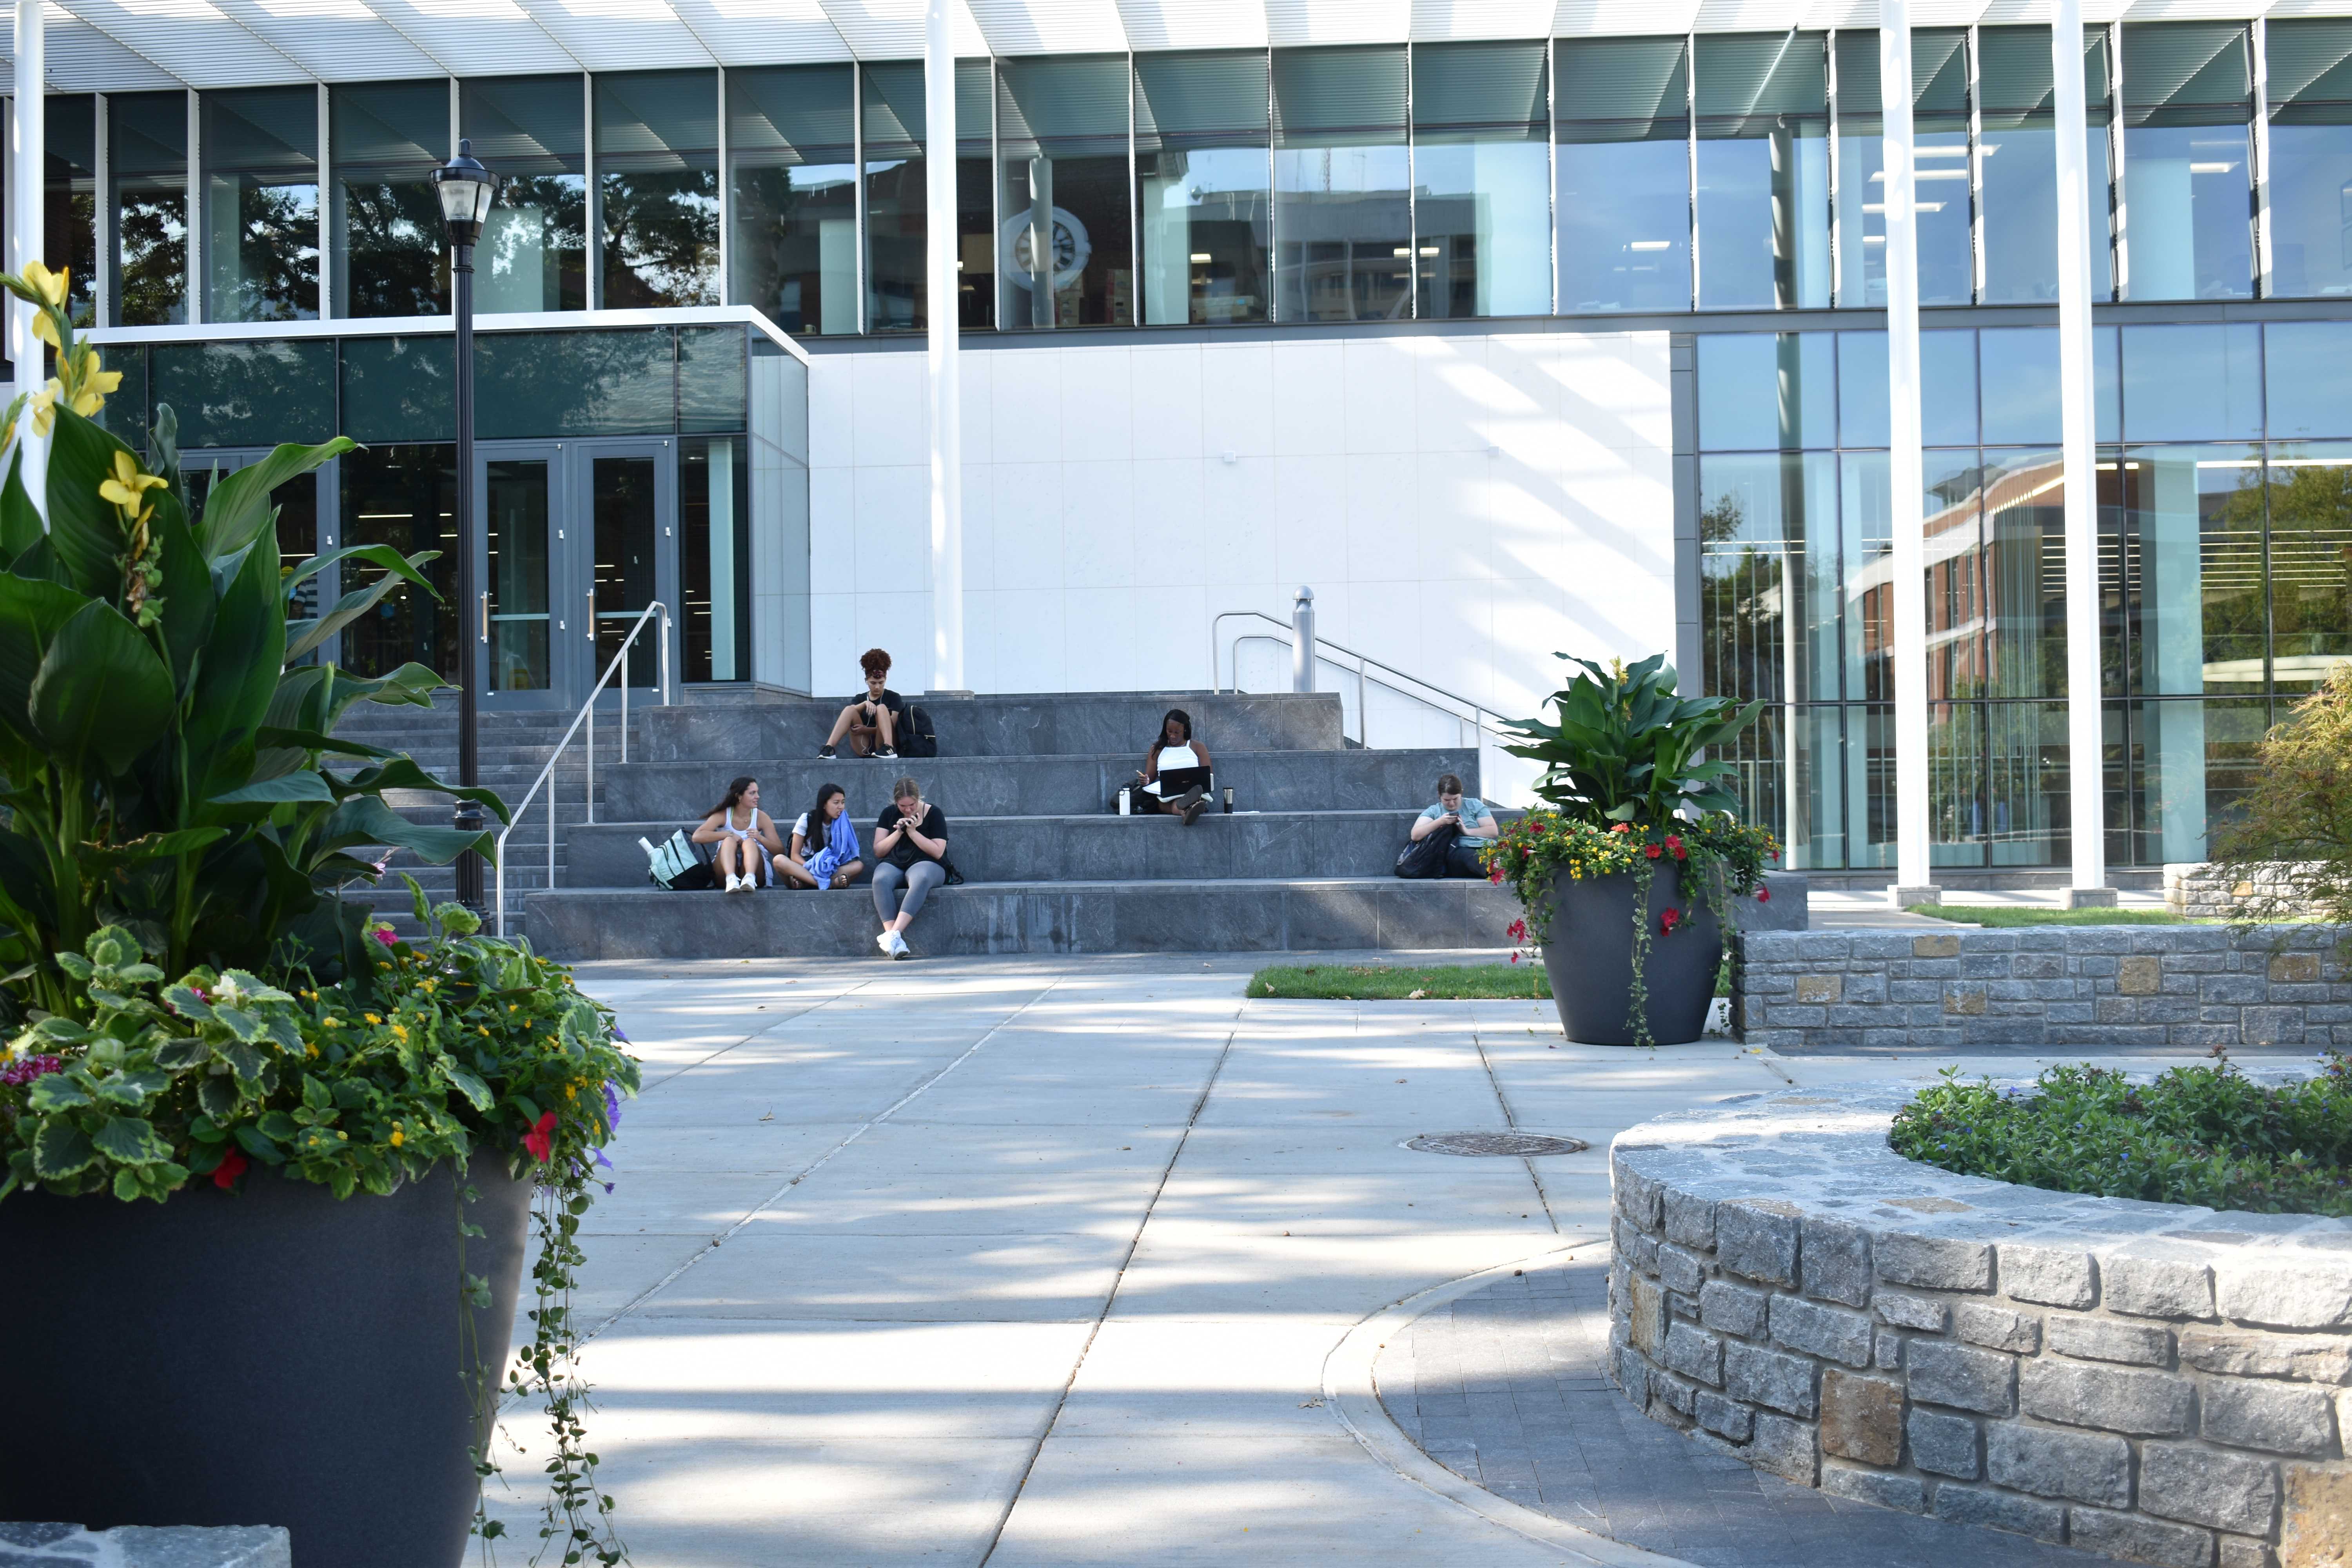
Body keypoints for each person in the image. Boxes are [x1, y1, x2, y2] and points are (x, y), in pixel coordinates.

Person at [871, 776, 949, 958]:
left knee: (921, 878)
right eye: (902, 806)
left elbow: (938, 851)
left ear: (918, 799)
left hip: (928, 863)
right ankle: (894, 941)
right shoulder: (888, 814)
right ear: (896, 803)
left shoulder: (934, 813)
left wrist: (913, 832)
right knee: (880, 879)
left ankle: (893, 935)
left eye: (912, 805)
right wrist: (898, 832)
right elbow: (879, 850)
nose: (907, 810)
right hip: (896, 862)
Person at [692, 776, 785, 894]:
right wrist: (729, 835)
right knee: (729, 840)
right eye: (752, 793)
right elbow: (697, 836)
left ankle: (750, 878)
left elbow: (780, 852)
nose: (758, 797)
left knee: (750, 842)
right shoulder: (724, 814)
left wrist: (760, 838)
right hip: (725, 872)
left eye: (757, 792)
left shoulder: (761, 817)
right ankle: (731, 879)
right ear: (739, 796)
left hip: (756, 873)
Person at [818, 648, 905, 759]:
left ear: (886, 680)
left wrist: (866, 730)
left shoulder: (894, 697)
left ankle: (889, 748)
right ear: (866, 681)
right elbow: (850, 713)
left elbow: (893, 725)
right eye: (873, 683)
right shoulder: (860, 698)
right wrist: (865, 704)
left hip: (884, 740)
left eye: (881, 683)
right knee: (850, 709)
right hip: (863, 745)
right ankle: (829, 748)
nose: (877, 687)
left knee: (881, 708)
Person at [1134, 708, 1213, 826]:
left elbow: (1208, 776)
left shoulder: (1197, 747)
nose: (1172, 736)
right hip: (1166, 797)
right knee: (1168, 803)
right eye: (1169, 731)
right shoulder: (1157, 749)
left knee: (1187, 799)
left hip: (1193, 792)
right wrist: (1145, 780)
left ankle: (1188, 807)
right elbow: (1149, 778)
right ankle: (1189, 810)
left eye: (1177, 732)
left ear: (1185, 730)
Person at [1411, 773, 1499, 878]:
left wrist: (1467, 831)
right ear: (1440, 796)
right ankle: (1496, 870)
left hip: (1486, 847)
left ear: (1461, 794)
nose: (1452, 804)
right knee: (1469, 856)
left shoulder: (1474, 805)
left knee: (1501, 853)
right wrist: (1440, 821)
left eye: (1455, 799)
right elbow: (1415, 835)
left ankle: (1501, 867)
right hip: (1457, 851)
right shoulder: (1434, 811)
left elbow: (1493, 831)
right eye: (1447, 800)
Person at [778, 782, 864, 890]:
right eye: (836, 803)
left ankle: (808, 882)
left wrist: (823, 869)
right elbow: (795, 856)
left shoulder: (842, 823)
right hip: (806, 864)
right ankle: (829, 884)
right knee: (779, 860)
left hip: (828, 867)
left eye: (843, 802)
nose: (841, 807)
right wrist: (811, 867)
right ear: (824, 804)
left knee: (858, 866)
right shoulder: (807, 819)